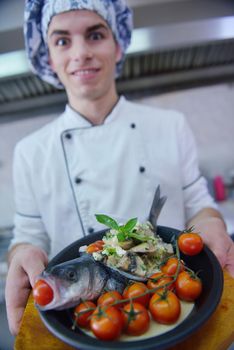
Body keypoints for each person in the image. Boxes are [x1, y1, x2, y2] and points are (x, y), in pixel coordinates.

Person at [5, 0, 234, 337]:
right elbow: (29, 233)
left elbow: (198, 202)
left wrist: (211, 222)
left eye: (95, 34)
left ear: (119, 44)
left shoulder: (170, 125)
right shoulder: (29, 151)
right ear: (48, 57)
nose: (81, 53)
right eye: (62, 41)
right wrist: (22, 251)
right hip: (88, 320)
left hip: (172, 307)